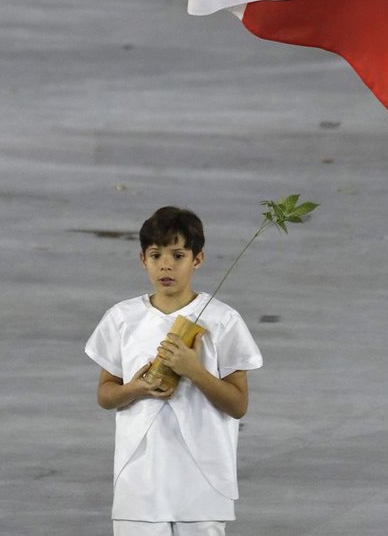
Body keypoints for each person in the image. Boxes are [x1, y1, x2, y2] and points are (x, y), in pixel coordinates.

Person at [84, 205, 263, 535]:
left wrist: (194, 370)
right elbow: (106, 395)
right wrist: (135, 388)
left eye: (178, 255)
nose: (166, 264)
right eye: (155, 255)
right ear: (143, 260)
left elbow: (238, 405)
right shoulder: (122, 318)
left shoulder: (222, 320)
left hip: (202, 480)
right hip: (139, 480)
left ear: (198, 259)